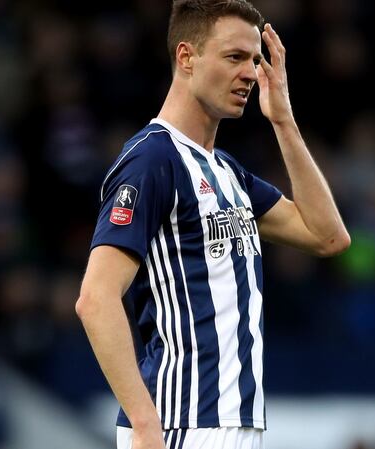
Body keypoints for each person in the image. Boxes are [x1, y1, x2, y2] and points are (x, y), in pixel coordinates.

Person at [75, 1, 350, 448]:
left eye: (256, 60)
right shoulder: (153, 159)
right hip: (181, 423)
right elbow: (95, 298)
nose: (249, 73)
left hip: (232, 422)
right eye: (234, 57)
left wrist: (283, 118)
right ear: (186, 57)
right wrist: (146, 425)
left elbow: (328, 236)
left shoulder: (226, 171)